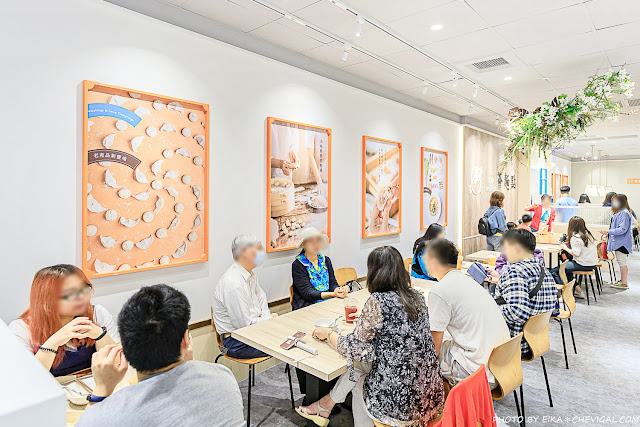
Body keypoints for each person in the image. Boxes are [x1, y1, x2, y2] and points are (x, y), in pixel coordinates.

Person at [296, 246, 444, 427]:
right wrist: (368, 319)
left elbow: (353, 348)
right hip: (430, 397)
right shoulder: (417, 297)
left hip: (402, 408)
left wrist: (328, 334)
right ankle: (324, 406)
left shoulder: (378, 301)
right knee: (362, 367)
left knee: (359, 380)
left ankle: (326, 405)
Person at [76, 285, 245, 427]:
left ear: (124, 344)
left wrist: (101, 389)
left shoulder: (108, 416)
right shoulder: (223, 377)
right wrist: (189, 359)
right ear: (186, 339)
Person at [423, 239, 510, 386]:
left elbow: (434, 348)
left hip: (478, 372)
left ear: (434, 262)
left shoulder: (439, 291)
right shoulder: (468, 281)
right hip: (502, 365)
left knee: (422, 351)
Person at [9, 265, 119, 377]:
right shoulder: (22, 329)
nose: (81, 297)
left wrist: (100, 335)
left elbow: (118, 364)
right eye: (69, 293)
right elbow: (28, 377)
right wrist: (54, 341)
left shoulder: (97, 314)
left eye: (84, 289)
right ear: (46, 299)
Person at [494, 229, 558, 356]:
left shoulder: (515, 272)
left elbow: (518, 312)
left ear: (517, 248)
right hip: (536, 341)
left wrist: (489, 308)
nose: (504, 253)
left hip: (514, 344)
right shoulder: (545, 271)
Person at [213, 235, 277, 359]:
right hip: (236, 341)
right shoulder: (233, 283)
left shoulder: (251, 276)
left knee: (290, 339)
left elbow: (262, 301)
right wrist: (269, 320)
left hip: (254, 331)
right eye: (258, 248)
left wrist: (268, 320)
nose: (262, 253)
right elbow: (244, 326)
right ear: (243, 252)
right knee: (285, 345)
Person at [292, 227, 348, 310]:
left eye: (318, 240)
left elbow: (332, 283)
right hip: (308, 307)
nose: (316, 244)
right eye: (311, 241)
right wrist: (333, 294)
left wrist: (338, 290)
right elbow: (307, 293)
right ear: (303, 244)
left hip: (328, 303)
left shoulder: (326, 260)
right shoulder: (298, 264)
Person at [550, 216, 597, 298]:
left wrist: (565, 248)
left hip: (582, 264)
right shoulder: (588, 234)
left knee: (554, 271)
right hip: (592, 264)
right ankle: (578, 291)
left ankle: (565, 292)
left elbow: (576, 253)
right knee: (566, 270)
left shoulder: (575, 237)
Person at [600, 194, 633, 289]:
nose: (613, 203)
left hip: (622, 242)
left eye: (615, 201)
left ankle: (624, 282)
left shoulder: (623, 213)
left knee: (622, 262)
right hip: (620, 241)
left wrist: (609, 232)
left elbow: (622, 229)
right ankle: (623, 280)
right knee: (621, 261)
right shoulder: (621, 212)